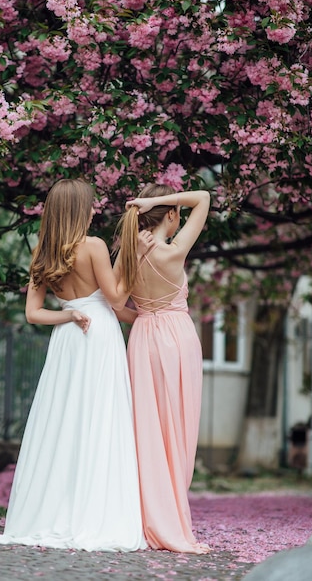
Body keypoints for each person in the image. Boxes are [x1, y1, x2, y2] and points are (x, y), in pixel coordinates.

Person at [0, 178, 150, 552]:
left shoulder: (42, 255)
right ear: (79, 209)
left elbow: (33, 314)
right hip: (99, 341)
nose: (95, 210)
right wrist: (134, 253)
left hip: (67, 344)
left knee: (64, 422)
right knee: (100, 420)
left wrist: (69, 316)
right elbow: (114, 297)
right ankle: (94, 514)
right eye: (91, 205)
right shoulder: (92, 246)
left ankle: (53, 512)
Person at [114, 183, 211, 554]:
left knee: (147, 430)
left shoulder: (128, 255)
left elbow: (115, 304)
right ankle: (171, 516)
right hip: (177, 338)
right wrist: (154, 200)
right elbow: (203, 198)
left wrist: (144, 314)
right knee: (178, 429)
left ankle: (147, 514)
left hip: (142, 338)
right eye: (176, 214)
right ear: (170, 215)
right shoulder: (172, 252)